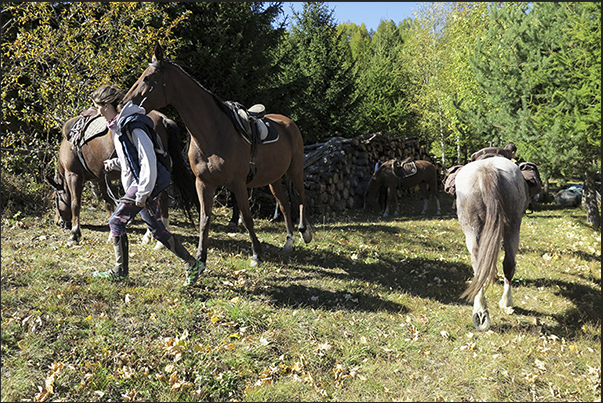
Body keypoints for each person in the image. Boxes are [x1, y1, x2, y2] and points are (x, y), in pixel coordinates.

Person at [90, 84, 203, 286]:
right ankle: (192, 263)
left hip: (143, 184)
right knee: (158, 229)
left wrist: (143, 192)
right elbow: (132, 158)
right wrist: (115, 163)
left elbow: (148, 159)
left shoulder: (133, 124)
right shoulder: (120, 125)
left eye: (98, 107)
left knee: (116, 221)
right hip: (143, 183)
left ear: (107, 105)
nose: (97, 112)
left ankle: (120, 271)